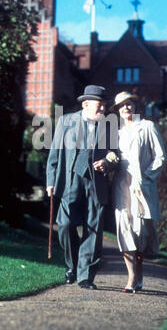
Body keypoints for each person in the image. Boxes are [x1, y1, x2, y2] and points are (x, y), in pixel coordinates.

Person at [46, 85, 119, 290]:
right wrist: (50, 181)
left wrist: (108, 162)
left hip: (97, 181)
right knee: (65, 223)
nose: (103, 109)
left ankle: (85, 275)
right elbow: (54, 154)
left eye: (105, 105)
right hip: (71, 179)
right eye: (100, 105)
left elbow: (117, 154)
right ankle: (72, 265)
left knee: (93, 229)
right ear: (86, 104)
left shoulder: (109, 126)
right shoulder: (66, 121)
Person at [110, 91, 166, 293]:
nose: (126, 108)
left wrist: (147, 176)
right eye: (122, 105)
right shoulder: (116, 132)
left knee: (140, 231)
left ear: (134, 106)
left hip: (142, 186)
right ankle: (131, 278)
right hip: (121, 184)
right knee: (123, 228)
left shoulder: (147, 127)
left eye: (129, 104)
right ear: (117, 110)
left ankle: (139, 274)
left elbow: (160, 157)